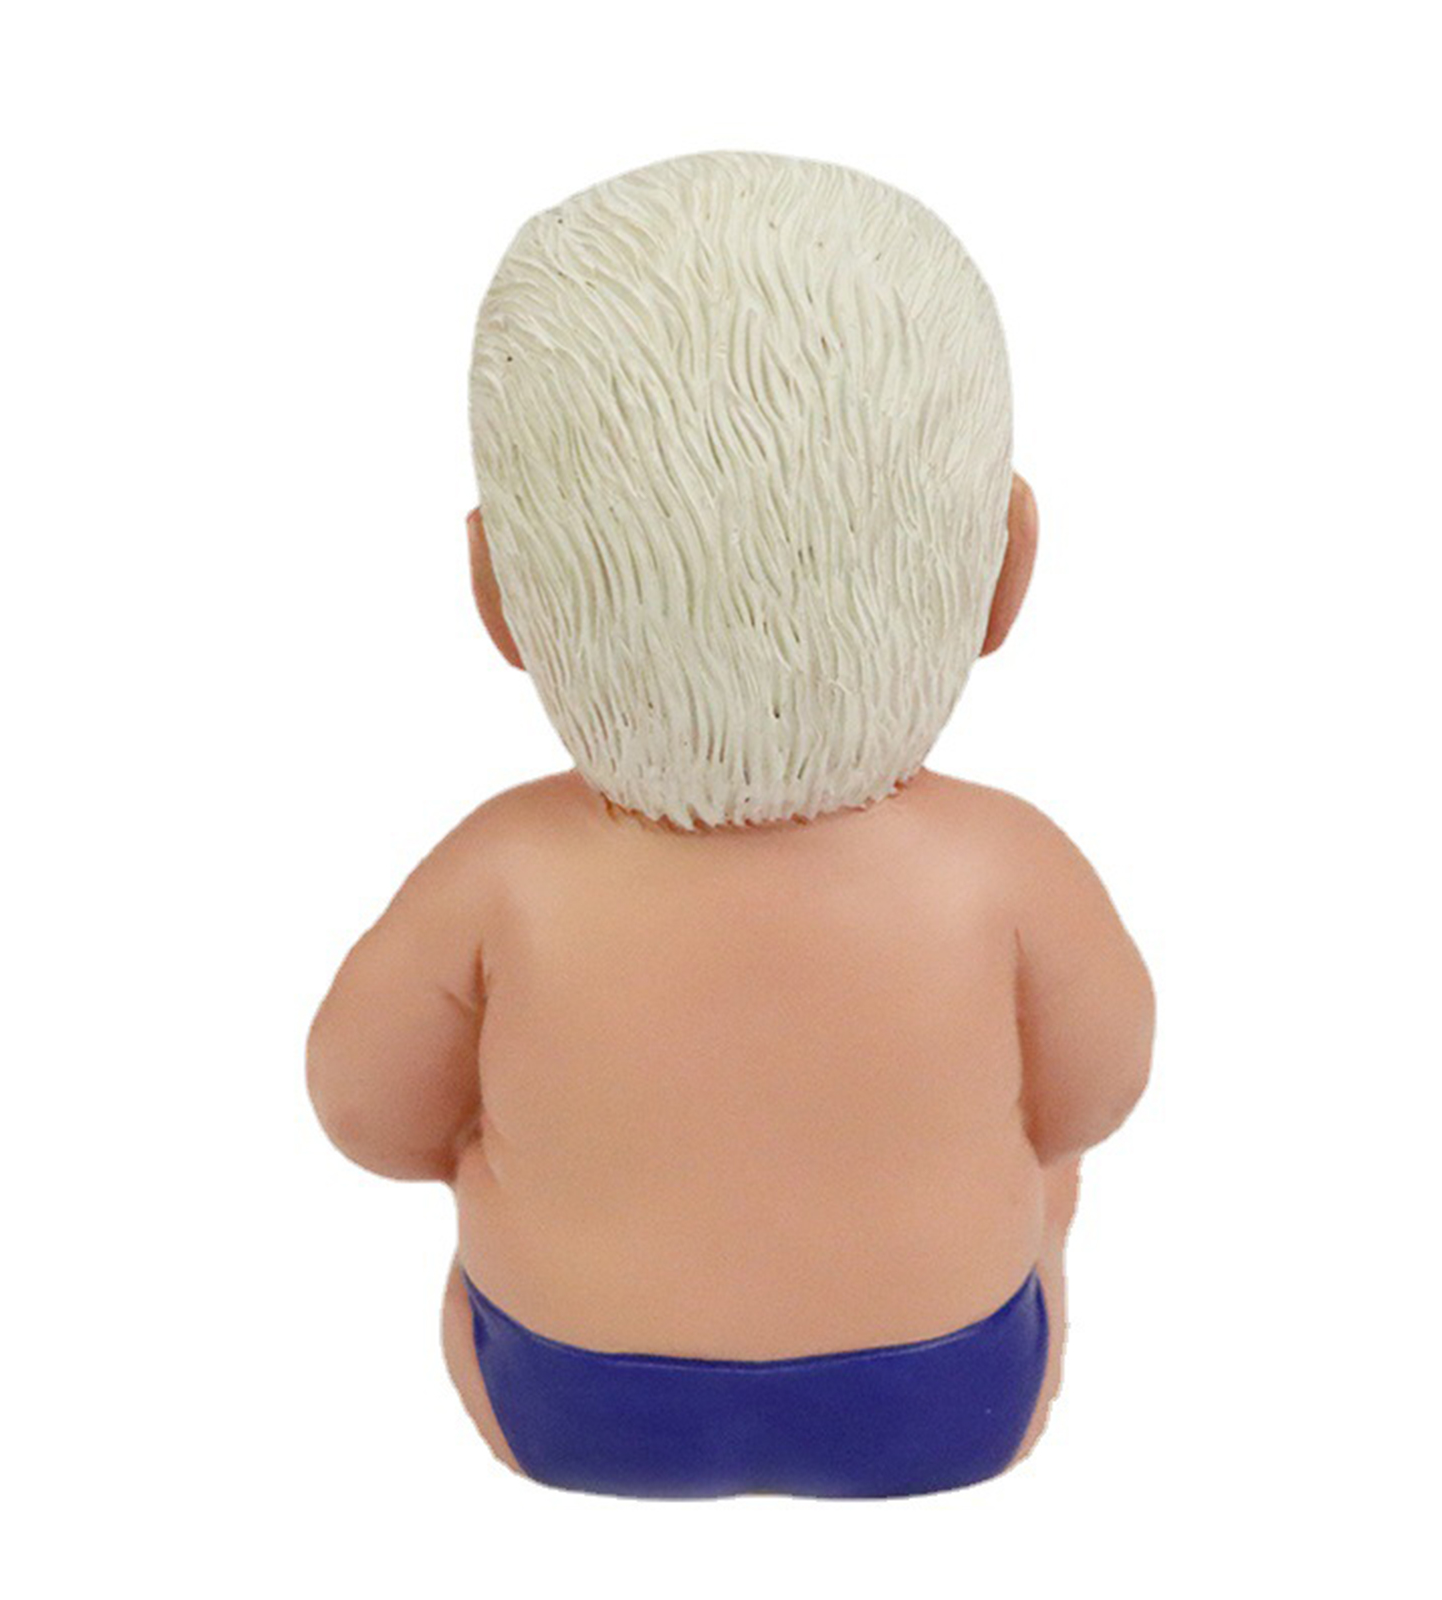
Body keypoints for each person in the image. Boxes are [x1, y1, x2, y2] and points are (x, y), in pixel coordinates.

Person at [308, 151, 1154, 1498]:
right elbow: (1095, 1097)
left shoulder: (502, 873)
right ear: (1006, 566)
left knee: (489, 1230)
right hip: (948, 1395)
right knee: (1054, 1184)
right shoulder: (1004, 867)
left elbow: (367, 1117)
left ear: (499, 596)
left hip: (572, 1403)